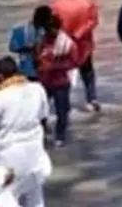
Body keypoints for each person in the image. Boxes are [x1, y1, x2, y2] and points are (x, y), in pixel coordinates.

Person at [0, 57, 52, 207]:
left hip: (8, 159)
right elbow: (43, 119)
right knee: (35, 196)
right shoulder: (37, 89)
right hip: (36, 154)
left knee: (4, 196)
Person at [51, 0, 101, 112]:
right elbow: (93, 21)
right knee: (88, 72)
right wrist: (78, 34)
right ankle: (92, 99)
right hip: (84, 43)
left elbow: (52, 25)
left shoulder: (56, 5)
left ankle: (64, 102)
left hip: (64, 43)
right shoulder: (88, 2)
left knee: (64, 73)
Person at [34, 16, 78, 147]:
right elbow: (36, 58)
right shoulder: (41, 41)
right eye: (46, 29)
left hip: (61, 82)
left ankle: (60, 137)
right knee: (40, 111)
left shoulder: (67, 43)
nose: (49, 32)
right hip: (44, 81)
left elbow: (74, 62)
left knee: (61, 111)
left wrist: (54, 67)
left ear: (57, 28)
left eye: (51, 29)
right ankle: (42, 134)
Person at [7, 7, 51, 80]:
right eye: (48, 20)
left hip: (44, 69)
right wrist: (27, 48)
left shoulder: (47, 30)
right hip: (28, 69)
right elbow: (12, 47)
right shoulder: (21, 29)